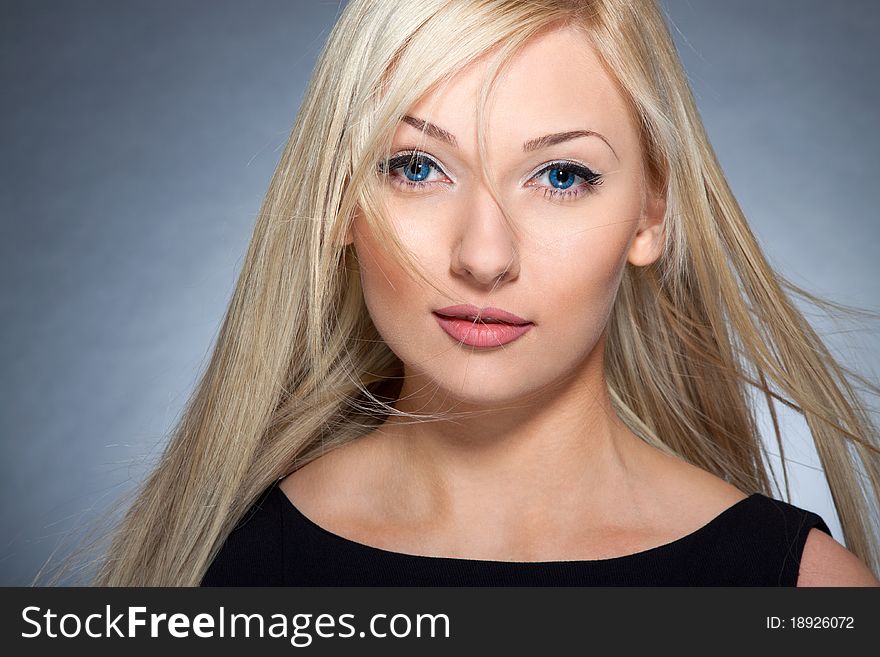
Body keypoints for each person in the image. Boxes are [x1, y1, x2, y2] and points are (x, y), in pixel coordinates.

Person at [93, 0, 879, 586]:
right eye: (416, 167)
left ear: (650, 214)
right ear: (338, 199)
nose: (483, 255)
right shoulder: (212, 576)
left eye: (562, 176)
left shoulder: (810, 591)